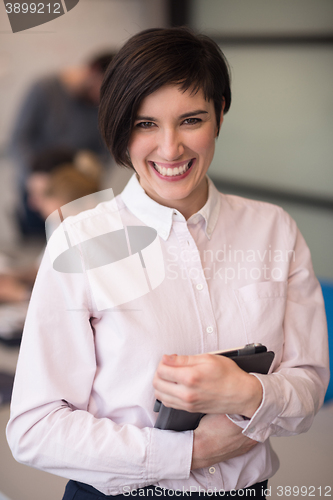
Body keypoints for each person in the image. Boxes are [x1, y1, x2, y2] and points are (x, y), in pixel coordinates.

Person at [6, 27, 329, 499]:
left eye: (191, 120)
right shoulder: (81, 240)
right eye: (145, 124)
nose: (170, 148)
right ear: (120, 127)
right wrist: (188, 454)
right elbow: (34, 430)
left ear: (220, 113)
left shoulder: (273, 230)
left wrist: (247, 394)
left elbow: (309, 387)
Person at [9, 52, 115, 235]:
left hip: (76, 196)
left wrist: (86, 179)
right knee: (41, 251)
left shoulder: (101, 105)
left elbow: (105, 152)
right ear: (93, 72)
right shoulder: (44, 89)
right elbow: (18, 139)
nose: (100, 98)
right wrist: (37, 181)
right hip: (39, 190)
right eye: (101, 89)